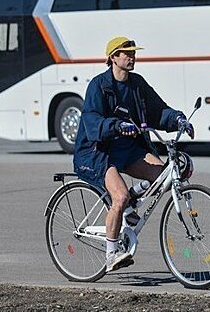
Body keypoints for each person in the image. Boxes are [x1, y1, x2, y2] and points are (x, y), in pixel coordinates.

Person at [73, 36, 194, 272]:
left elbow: (157, 111)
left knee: (164, 178)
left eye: (133, 53)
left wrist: (178, 119)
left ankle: (132, 197)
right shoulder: (98, 85)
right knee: (119, 198)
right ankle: (111, 254)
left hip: (127, 149)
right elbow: (92, 121)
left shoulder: (137, 84)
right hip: (97, 152)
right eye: (126, 53)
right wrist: (116, 126)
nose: (132, 57)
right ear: (112, 58)